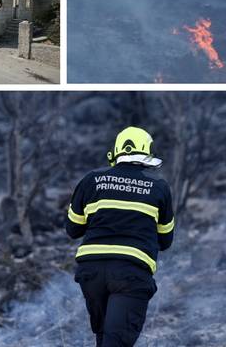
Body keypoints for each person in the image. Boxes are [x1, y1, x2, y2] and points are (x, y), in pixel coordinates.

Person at [66, 126, 175, 347]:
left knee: (105, 339)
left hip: (92, 272)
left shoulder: (91, 180)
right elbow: (165, 241)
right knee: (116, 342)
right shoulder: (159, 187)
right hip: (131, 272)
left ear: (115, 153)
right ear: (147, 154)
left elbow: (73, 229)